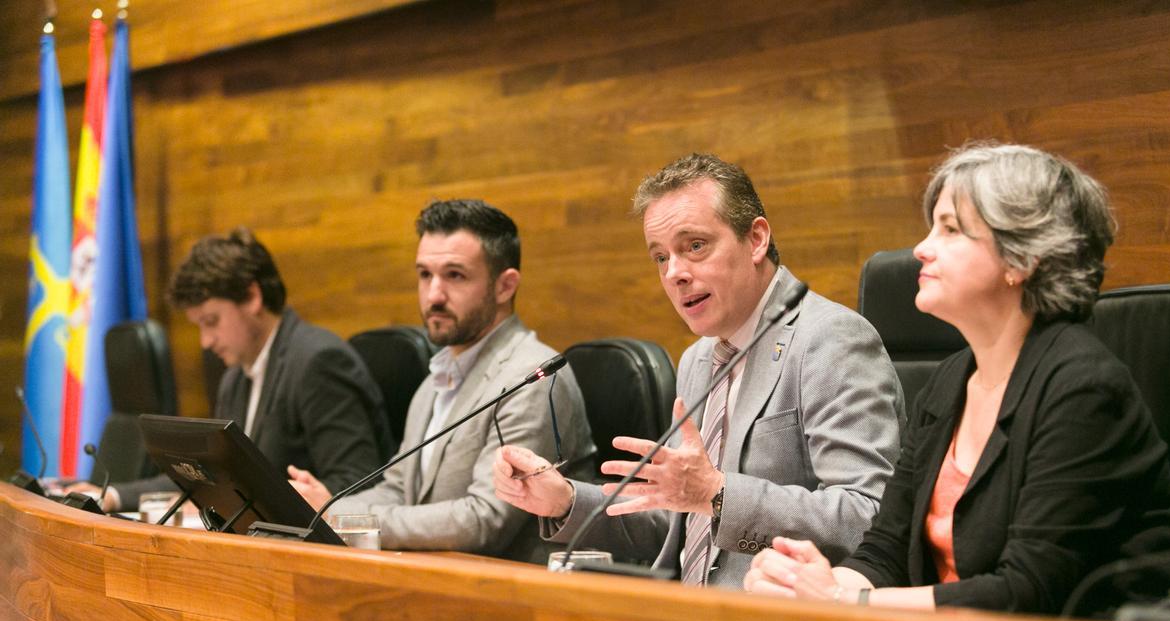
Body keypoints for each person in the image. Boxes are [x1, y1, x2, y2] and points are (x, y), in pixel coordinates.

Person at [743, 143, 1170, 614]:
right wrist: (812, 582)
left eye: (950, 228)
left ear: (1022, 259)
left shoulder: (1083, 388)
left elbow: (1026, 592)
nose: (921, 249)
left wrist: (845, 598)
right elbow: (885, 550)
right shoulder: (950, 382)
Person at [494, 154, 903, 588]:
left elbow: (867, 517)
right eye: (660, 257)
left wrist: (718, 493)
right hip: (683, 616)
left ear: (756, 239)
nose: (675, 273)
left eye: (694, 246)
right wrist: (565, 500)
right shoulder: (698, 359)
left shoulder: (830, 340)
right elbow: (680, 525)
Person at [289, 199, 594, 563]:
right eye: (424, 275)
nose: (433, 294)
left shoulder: (532, 377)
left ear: (505, 286)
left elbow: (484, 521)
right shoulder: (436, 378)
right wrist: (318, 509)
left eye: (455, 275)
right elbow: (400, 489)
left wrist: (338, 517)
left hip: (522, 597)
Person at [81, 228, 391, 512]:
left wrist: (262, 500)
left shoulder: (318, 361)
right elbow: (210, 477)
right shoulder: (234, 378)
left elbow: (359, 482)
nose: (206, 341)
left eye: (211, 321)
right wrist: (109, 495)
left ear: (253, 297)